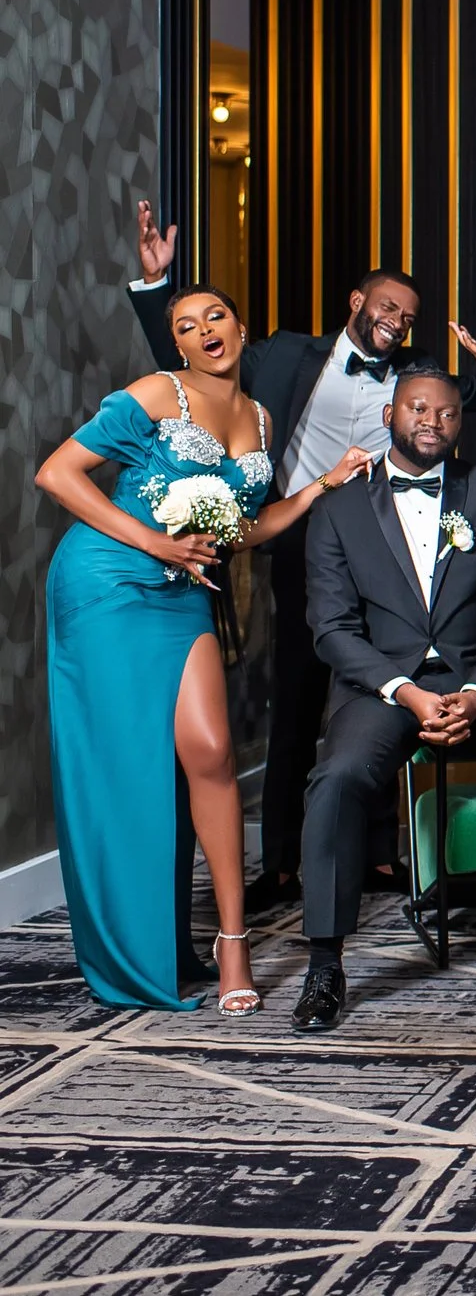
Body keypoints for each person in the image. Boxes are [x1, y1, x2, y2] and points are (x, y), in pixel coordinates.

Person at [127, 205, 476, 910]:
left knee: (383, 688)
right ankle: (285, 863)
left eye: (408, 315)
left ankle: (380, 855)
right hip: (295, 542)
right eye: (387, 305)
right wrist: (155, 287)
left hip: (387, 553)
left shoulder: (418, 380)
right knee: (297, 700)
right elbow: (189, 366)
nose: (396, 320)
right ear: (358, 302)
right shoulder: (289, 353)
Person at [36, 286, 376, 1011]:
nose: (202, 329)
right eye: (185, 325)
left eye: (213, 316)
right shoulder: (158, 391)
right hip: (105, 583)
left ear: (239, 328)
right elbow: (57, 473)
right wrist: (158, 540)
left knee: (213, 751)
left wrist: (320, 485)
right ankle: (133, 941)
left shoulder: (260, 414)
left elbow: (242, 529)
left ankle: (232, 943)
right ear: (179, 347)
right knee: (128, 765)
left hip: (184, 589)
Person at [290, 368, 476, 1034]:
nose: (432, 420)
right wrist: (407, 693)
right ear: (391, 412)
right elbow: (332, 629)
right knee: (336, 778)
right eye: (418, 407)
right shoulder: (338, 507)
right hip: (385, 687)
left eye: (447, 412)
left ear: (462, 422)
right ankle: (324, 965)